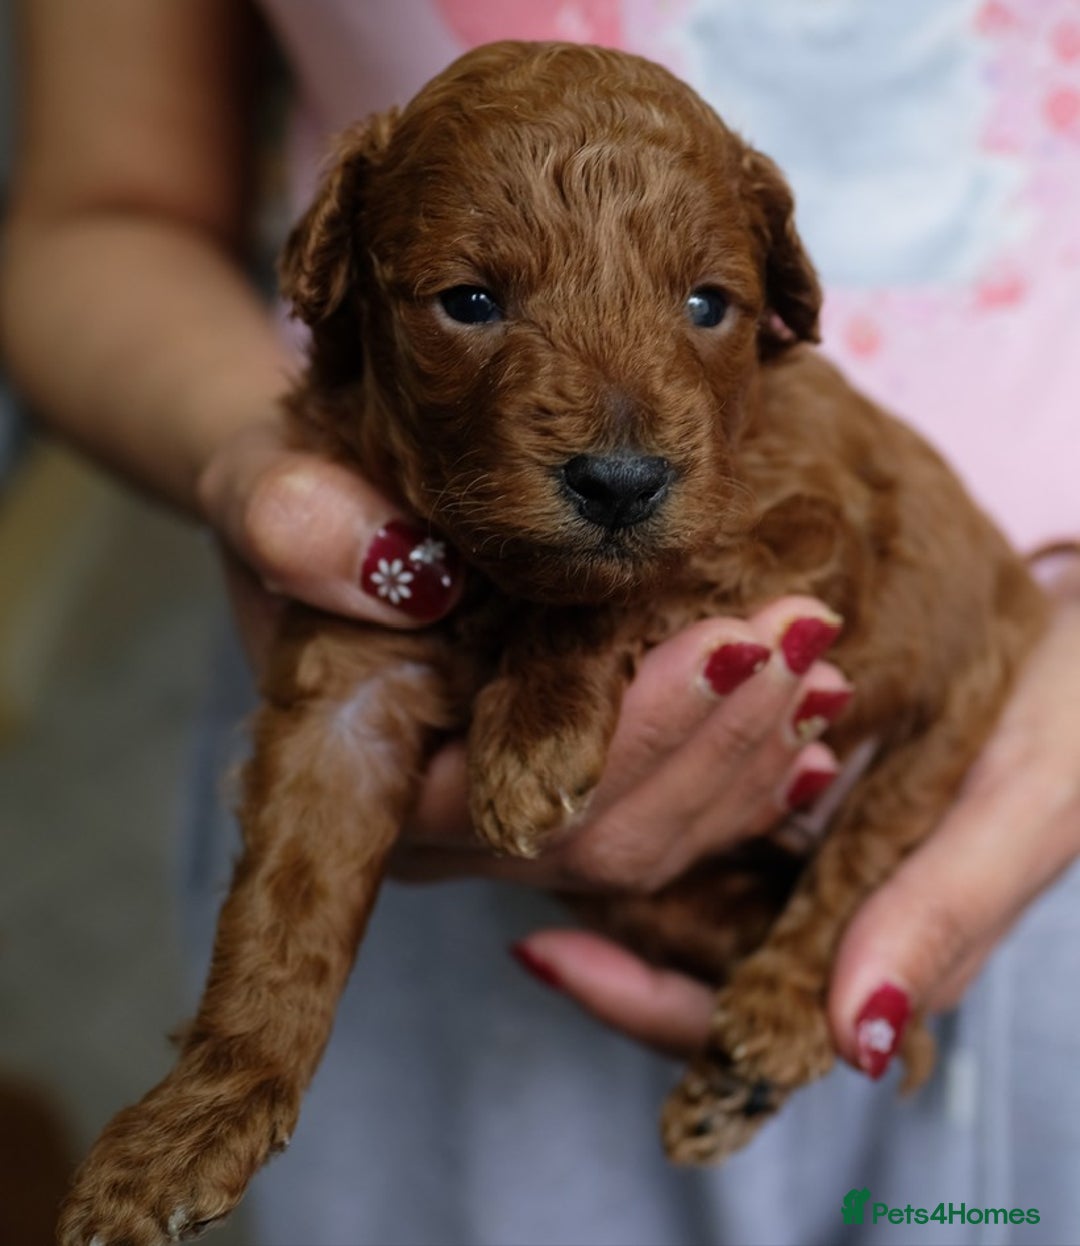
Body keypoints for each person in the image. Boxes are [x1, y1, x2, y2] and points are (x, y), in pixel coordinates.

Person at [3, 1, 1079, 1242]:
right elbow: (103, 209)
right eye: (469, 301)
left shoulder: (794, 446)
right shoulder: (353, 446)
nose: (619, 449)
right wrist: (264, 489)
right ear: (338, 270)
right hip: (450, 978)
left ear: (775, 299)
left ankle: (789, 973)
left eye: (707, 305)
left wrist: (566, 652)